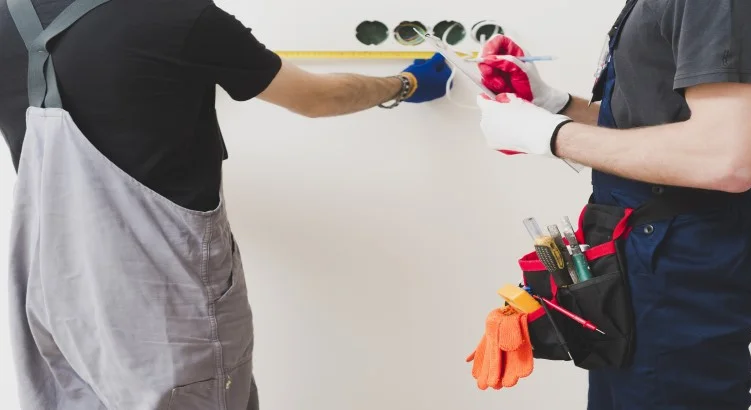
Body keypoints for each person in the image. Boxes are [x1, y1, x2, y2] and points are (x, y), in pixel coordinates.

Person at [0, 0, 451, 408]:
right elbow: (317, 97)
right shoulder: (177, 15)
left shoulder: (6, 19)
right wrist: (405, 84)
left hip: (50, 287)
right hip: (164, 298)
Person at [475, 0, 751, 409]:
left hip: (676, 257)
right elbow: (654, 123)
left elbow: (727, 157)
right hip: (636, 250)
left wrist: (551, 135)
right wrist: (554, 106)